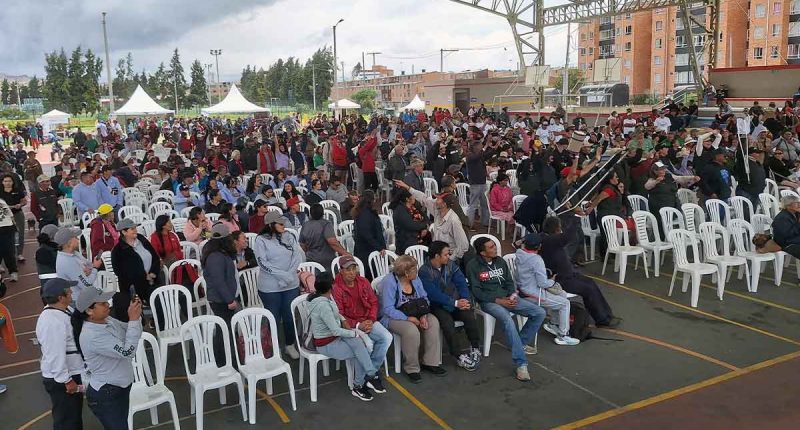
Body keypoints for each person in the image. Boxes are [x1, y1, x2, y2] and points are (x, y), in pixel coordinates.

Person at [466, 236, 546, 381]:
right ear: (482, 253)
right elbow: (476, 291)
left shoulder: (500, 262)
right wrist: (499, 301)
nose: (495, 248)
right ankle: (521, 364)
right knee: (508, 320)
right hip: (489, 302)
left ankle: (519, 343)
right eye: (491, 247)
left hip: (508, 298)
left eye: (494, 245)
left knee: (539, 312)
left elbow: (509, 282)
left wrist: (512, 295)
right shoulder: (473, 266)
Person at [308, 272, 384, 401]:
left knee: (358, 343)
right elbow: (336, 331)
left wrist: (344, 320)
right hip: (326, 344)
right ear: (331, 287)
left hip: (334, 337)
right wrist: (354, 332)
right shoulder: (323, 306)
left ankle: (369, 374)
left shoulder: (325, 298)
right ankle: (360, 383)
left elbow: (336, 313)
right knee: (359, 351)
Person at [75, 286, 142, 430]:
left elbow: (128, 330)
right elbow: (127, 351)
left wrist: (134, 318)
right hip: (107, 394)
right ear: (89, 311)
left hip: (118, 389)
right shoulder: (92, 336)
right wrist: (134, 320)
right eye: (102, 303)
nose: (108, 305)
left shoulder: (107, 320)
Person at [540, 216, 621, 328]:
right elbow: (568, 236)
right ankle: (602, 319)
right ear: (556, 229)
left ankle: (607, 315)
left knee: (590, 283)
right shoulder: (549, 240)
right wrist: (576, 218)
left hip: (569, 275)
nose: (561, 230)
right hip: (561, 280)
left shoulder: (549, 239)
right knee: (587, 289)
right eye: (559, 228)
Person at [379, 255, 445, 383]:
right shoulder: (389, 282)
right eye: (414, 269)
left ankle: (430, 362)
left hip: (416, 311)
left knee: (433, 322)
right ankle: (412, 368)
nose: (417, 271)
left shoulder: (416, 279)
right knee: (411, 331)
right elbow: (387, 308)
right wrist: (408, 318)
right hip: (394, 316)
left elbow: (424, 298)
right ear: (406, 273)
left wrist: (424, 315)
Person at [418, 241, 481, 371]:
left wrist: (465, 300)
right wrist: (456, 303)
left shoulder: (451, 265)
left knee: (469, 315)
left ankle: (475, 347)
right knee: (447, 323)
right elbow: (433, 294)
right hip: (437, 305)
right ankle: (458, 355)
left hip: (456, 302)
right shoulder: (424, 271)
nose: (449, 256)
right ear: (436, 256)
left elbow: (461, 282)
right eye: (446, 254)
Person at [254, 211, 306, 359]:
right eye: (280, 223)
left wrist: (288, 275)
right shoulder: (261, 240)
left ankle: (289, 345)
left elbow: (296, 256)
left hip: (290, 284)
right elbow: (262, 262)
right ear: (271, 225)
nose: (284, 225)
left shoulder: (289, 236)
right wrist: (282, 275)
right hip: (270, 287)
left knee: (289, 316)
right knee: (273, 317)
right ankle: (274, 347)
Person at [514, 233, 580, 346]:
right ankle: (563, 335)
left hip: (523, 289)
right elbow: (543, 283)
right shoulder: (536, 260)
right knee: (565, 303)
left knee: (562, 295)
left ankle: (553, 324)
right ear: (539, 247)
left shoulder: (519, 253)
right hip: (532, 294)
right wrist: (553, 281)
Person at [331, 256, 392, 377]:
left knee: (387, 337)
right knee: (368, 344)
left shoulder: (363, 281)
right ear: (341, 270)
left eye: (354, 268)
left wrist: (371, 319)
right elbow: (339, 314)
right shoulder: (336, 288)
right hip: (350, 325)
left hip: (368, 319)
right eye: (348, 269)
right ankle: (364, 375)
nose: (352, 272)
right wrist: (359, 325)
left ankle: (371, 370)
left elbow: (374, 302)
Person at [37, 278, 85, 430]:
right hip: (63, 378)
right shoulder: (51, 321)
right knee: (67, 420)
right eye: (68, 291)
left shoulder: (62, 311)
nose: (71, 293)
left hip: (72, 372)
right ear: (60, 297)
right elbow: (55, 354)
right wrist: (66, 380)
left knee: (74, 415)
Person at [397, 181, 470, 262]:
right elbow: (423, 198)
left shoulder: (454, 221)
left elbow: (464, 245)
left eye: (438, 199)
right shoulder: (437, 210)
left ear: (444, 204)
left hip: (448, 258)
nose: (435, 200)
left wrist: (450, 260)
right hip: (437, 256)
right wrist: (407, 187)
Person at [202, 223, 240, 366]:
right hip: (221, 300)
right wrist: (229, 299)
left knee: (224, 330)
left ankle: (224, 360)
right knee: (225, 331)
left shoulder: (217, 253)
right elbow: (219, 281)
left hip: (222, 298)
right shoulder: (216, 257)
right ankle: (225, 361)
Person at [110, 218, 161, 322]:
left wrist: (153, 273)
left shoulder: (141, 239)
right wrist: (143, 276)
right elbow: (119, 272)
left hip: (152, 279)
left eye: (135, 228)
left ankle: (157, 322)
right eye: (132, 229)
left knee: (160, 298)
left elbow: (155, 257)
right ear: (124, 232)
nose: (135, 230)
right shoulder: (118, 251)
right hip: (134, 286)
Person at [55, 227, 102, 301]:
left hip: (84, 296)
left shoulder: (74, 253)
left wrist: (90, 269)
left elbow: (89, 265)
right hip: (79, 301)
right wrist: (95, 268)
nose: (78, 239)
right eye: (75, 237)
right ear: (69, 243)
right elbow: (87, 285)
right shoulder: (67, 262)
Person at [299, 203, 349, 272]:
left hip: (311, 262)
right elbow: (332, 242)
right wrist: (345, 253)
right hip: (327, 262)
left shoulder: (305, 225)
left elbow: (302, 245)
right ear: (322, 213)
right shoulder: (326, 224)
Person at [351, 190, 387, 275]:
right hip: (367, 251)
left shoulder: (362, 212)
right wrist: (379, 247)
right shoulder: (365, 214)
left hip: (367, 249)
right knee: (371, 274)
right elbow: (366, 234)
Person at [389, 188, 430, 254]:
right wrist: (424, 226)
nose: (414, 197)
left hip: (419, 239)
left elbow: (426, 218)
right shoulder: (400, 210)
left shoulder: (414, 206)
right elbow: (411, 225)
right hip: (407, 242)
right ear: (407, 199)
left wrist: (425, 228)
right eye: (413, 195)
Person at [0, 173, 27, 262]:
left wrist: (20, 204)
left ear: (12, 182)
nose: (7, 183)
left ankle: (19, 253)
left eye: (9, 181)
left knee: (20, 234)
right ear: (2, 182)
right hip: (4, 216)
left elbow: (24, 201)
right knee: (5, 236)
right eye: (5, 181)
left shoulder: (18, 190)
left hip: (17, 214)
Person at [466, 141, 490, 231]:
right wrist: (485, 147)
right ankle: (470, 224)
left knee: (485, 204)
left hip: (482, 182)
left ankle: (485, 222)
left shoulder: (480, 155)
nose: (481, 147)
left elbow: (486, 156)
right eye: (480, 146)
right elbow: (477, 157)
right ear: (475, 147)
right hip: (475, 183)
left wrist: (495, 147)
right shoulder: (470, 155)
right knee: (473, 205)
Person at [0, 196, 19, 281]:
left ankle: (13, 272)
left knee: (8, 251)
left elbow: (10, 215)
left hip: (7, 228)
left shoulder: (1, 201)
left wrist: (15, 226)